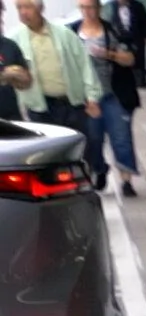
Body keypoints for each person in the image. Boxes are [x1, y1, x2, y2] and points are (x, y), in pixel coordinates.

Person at [4, 1, 103, 165]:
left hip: (72, 104)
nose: (23, 12)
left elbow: (84, 65)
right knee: (49, 155)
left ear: (40, 8)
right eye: (19, 8)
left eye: (27, 7)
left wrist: (92, 97)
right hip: (40, 108)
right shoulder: (14, 39)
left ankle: (90, 178)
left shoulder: (64, 34)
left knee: (82, 150)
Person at [77, 0, 136, 194]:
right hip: (88, 97)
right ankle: (99, 169)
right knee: (93, 139)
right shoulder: (71, 33)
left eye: (91, 7)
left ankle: (126, 181)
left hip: (113, 94)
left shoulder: (112, 31)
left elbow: (130, 59)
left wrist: (108, 54)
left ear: (99, 8)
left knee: (121, 138)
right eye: (83, 7)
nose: (88, 12)